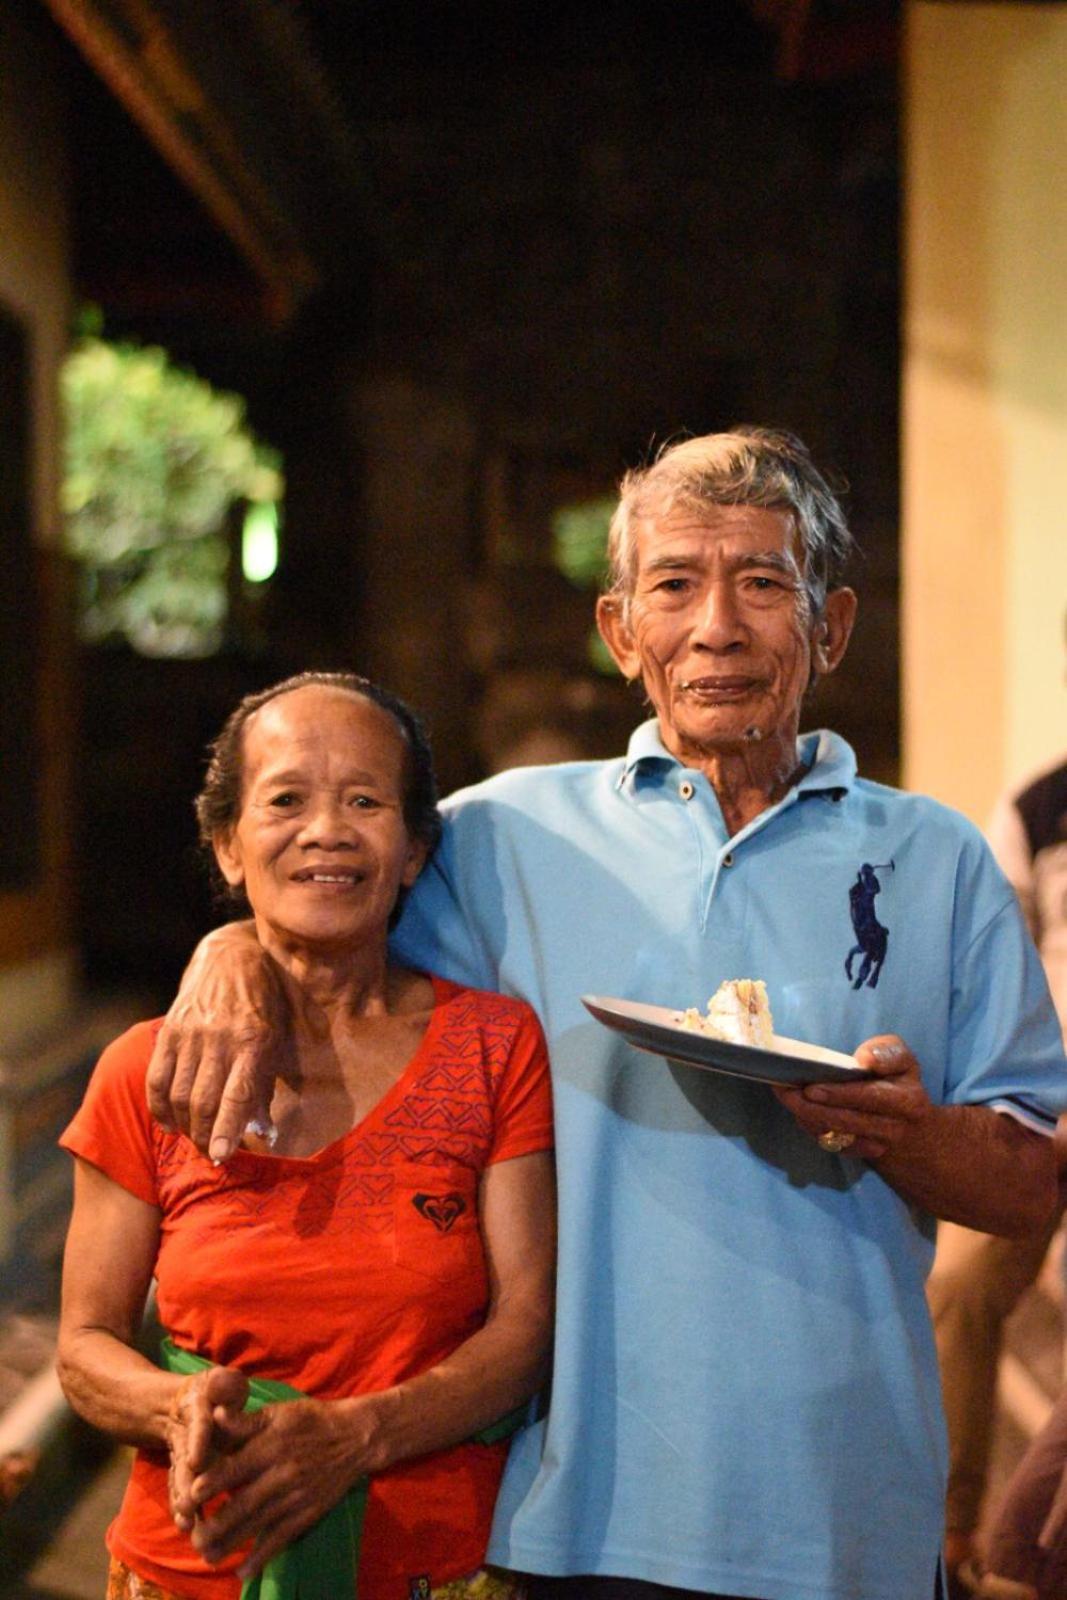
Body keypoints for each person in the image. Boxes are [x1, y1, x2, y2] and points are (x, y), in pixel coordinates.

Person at [145, 430, 1066, 1600]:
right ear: (619, 631)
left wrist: (897, 1128)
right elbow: (319, 916)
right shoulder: (501, 839)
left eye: (763, 583)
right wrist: (227, 951)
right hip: (562, 1521)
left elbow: (1029, 1182)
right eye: (674, 583)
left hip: (840, 1524)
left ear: (829, 627)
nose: (716, 625)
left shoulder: (932, 859)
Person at [56, 672, 556, 1600]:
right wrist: (177, 1409)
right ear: (228, 846)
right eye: (286, 800)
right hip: (191, 1566)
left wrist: (355, 1436)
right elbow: (84, 1345)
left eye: (364, 801)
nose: (326, 829)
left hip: (430, 1569)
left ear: (412, 852)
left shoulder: (493, 1047)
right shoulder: (144, 1070)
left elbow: (525, 1329)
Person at [930, 746, 1067, 1598]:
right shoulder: (1042, 806)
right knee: (959, 1292)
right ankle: (948, 1535)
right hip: (1050, 1121)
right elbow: (989, 969)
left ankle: (1019, 1559)